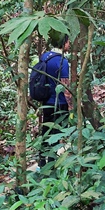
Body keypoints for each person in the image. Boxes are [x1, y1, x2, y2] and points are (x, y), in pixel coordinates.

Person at [38, 34, 71, 165]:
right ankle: (52, 162)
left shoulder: (45, 56)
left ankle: (42, 161)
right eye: (68, 42)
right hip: (59, 103)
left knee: (46, 132)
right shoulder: (62, 61)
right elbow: (65, 85)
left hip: (46, 101)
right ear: (64, 43)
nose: (69, 45)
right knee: (57, 133)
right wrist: (71, 106)